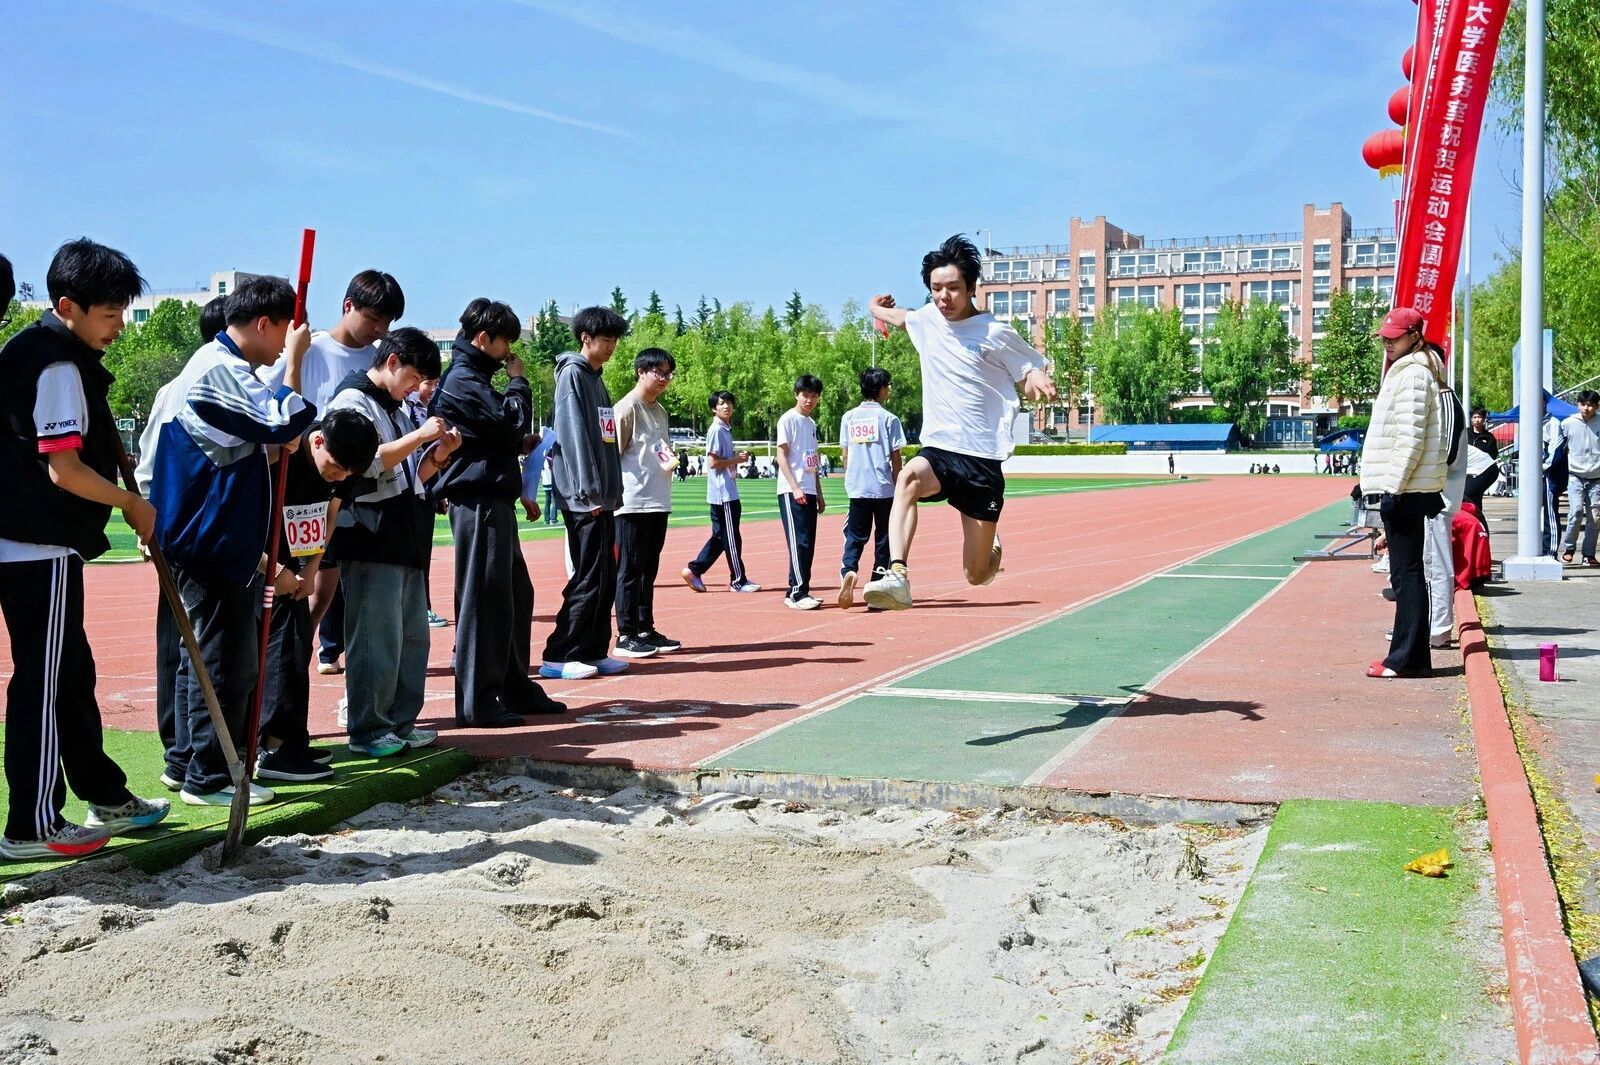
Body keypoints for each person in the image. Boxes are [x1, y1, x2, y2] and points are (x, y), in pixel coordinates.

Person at [0, 239, 171, 858]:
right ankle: (32, 824)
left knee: (71, 673)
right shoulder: (55, 365)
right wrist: (130, 503)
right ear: (67, 306)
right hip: (35, 546)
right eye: (110, 314)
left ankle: (104, 792)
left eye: (123, 311)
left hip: (35, 542)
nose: (120, 327)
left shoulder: (43, 351)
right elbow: (64, 471)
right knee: (43, 682)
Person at [151, 274, 316, 805]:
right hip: (210, 537)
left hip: (208, 534)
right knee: (224, 661)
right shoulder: (218, 370)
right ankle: (210, 775)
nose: (290, 340)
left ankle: (188, 763)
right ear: (265, 324)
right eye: (288, 330)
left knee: (202, 656)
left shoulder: (220, 368)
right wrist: (296, 361)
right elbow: (286, 422)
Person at [861, 235, 1055, 610]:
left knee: (976, 575)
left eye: (952, 288)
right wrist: (874, 308)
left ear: (970, 287)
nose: (944, 297)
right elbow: (899, 317)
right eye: (936, 289)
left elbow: (1029, 366)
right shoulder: (926, 321)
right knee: (907, 478)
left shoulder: (995, 332)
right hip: (940, 448)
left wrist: (1034, 378)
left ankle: (990, 549)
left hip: (982, 460)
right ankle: (897, 575)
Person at [260, 271, 404, 680]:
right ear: (348, 306)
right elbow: (271, 398)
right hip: (297, 488)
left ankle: (308, 661)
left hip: (347, 490)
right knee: (291, 596)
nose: (379, 329)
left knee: (329, 590)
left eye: (387, 323)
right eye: (373, 318)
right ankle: (284, 670)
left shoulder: (379, 361)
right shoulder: (310, 349)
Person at [430, 298, 565, 725]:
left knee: (514, 595)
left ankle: (512, 686)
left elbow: (495, 433)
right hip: (478, 499)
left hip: (491, 497)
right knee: (484, 599)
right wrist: (519, 383)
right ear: (483, 338)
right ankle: (478, 699)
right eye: (505, 342)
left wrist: (516, 443)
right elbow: (510, 422)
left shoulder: (473, 377)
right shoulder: (463, 379)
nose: (510, 352)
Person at [327, 327, 460, 756]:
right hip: (370, 533)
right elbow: (363, 464)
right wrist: (419, 438)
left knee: (411, 638)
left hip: (404, 533)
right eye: (415, 377)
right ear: (391, 362)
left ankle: (400, 721)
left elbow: (408, 475)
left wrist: (437, 457)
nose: (419, 388)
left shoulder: (396, 408)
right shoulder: (352, 401)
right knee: (375, 638)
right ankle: (368, 729)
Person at [255, 409, 379, 783]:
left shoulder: (346, 465)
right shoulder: (285, 451)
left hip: (295, 564)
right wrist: (275, 570)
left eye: (347, 474)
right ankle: (271, 748)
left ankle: (292, 739)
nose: (339, 477)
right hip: (259, 563)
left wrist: (310, 569)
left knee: (297, 647)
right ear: (318, 440)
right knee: (278, 651)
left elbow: (329, 516)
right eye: (336, 468)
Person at [542, 306, 629, 679]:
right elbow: (573, 437)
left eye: (614, 340)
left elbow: (606, 438)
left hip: (602, 497)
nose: (611, 346)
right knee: (589, 576)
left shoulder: (596, 378)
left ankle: (593, 649)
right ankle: (559, 654)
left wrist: (612, 490)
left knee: (605, 576)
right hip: (584, 498)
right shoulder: (573, 376)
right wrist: (590, 491)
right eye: (605, 339)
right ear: (585, 338)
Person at [1359, 307, 1446, 679]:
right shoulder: (1411, 371)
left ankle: (1408, 659)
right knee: (1405, 572)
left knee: (1406, 574)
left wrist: (1392, 489)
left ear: (1414, 336)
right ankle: (1407, 656)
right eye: (1384, 337)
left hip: (1407, 488)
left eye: (1394, 338)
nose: (1387, 343)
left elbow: (1409, 438)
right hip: (1408, 485)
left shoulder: (1413, 374)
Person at [612, 348, 682, 658]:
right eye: (659, 372)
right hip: (632, 502)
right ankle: (626, 634)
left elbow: (657, 449)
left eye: (669, 373)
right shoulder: (626, 408)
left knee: (648, 570)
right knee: (629, 569)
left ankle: (645, 628)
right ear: (641, 372)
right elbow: (611, 454)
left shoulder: (660, 411)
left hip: (658, 500)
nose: (665, 378)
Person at [837, 366, 906, 609]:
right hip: (883, 488)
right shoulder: (889, 419)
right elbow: (896, 458)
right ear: (882, 389)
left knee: (855, 536)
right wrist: (899, 487)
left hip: (858, 487)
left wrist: (851, 475)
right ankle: (877, 585)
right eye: (888, 386)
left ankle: (849, 569)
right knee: (884, 539)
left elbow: (845, 453)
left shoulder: (849, 417)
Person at [683, 392, 759, 593]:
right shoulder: (717, 429)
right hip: (724, 493)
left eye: (729, 403)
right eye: (722, 403)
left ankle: (695, 570)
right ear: (713, 408)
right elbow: (713, 462)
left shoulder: (725, 429)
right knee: (732, 538)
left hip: (724, 491)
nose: (726, 406)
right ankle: (738, 580)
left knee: (720, 537)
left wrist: (735, 459)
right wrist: (736, 459)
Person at [1422, 347, 1466, 650]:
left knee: (1436, 564)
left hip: (1437, 498)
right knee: (1428, 563)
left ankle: (1438, 629)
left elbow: (1448, 455)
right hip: (1429, 495)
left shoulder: (1446, 400)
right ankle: (1426, 626)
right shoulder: (1437, 399)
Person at [776, 374, 826, 610]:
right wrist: (795, 487)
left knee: (808, 543)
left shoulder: (811, 423)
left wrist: (819, 493)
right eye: (805, 395)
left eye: (814, 396)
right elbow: (781, 455)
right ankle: (798, 593)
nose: (809, 400)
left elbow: (812, 461)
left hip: (809, 488)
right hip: (792, 490)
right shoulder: (788, 419)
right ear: (796, 394)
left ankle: (797, 590)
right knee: (799, 543)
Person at [405, 376, 449, 628]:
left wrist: (439, 492)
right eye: (428, 383)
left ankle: (423, 607)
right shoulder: (407, 409)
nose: (432, 389)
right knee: (413, 554)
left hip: (428, 490)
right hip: (408, 489)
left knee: (423, 553)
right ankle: (419, 609)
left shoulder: (429, 410)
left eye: (436, 383)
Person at [1558, 390, 1600, 565]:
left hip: (1597, 477)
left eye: (1590, 405)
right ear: (1578, 405)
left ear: (1597, 406)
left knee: (1595, 516)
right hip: (1575, 475)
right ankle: (1569, 547)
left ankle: (1589, 554)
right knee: (1575, 511)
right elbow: (1559, 449)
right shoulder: (1567, 424)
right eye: (1583, 404)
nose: (1586, 408)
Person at [1463, 405, 1500, 532]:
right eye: (1474, 417)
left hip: (1482, 469)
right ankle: (1473, 526)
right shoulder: (1465, 433)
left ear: (1483, 419)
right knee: (1471, 497)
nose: (1477, 420)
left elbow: (1493, 454)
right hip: (1467, 470)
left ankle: (1479, 528)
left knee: (1467, 495)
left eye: (1479, 417)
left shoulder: (1489, 437)